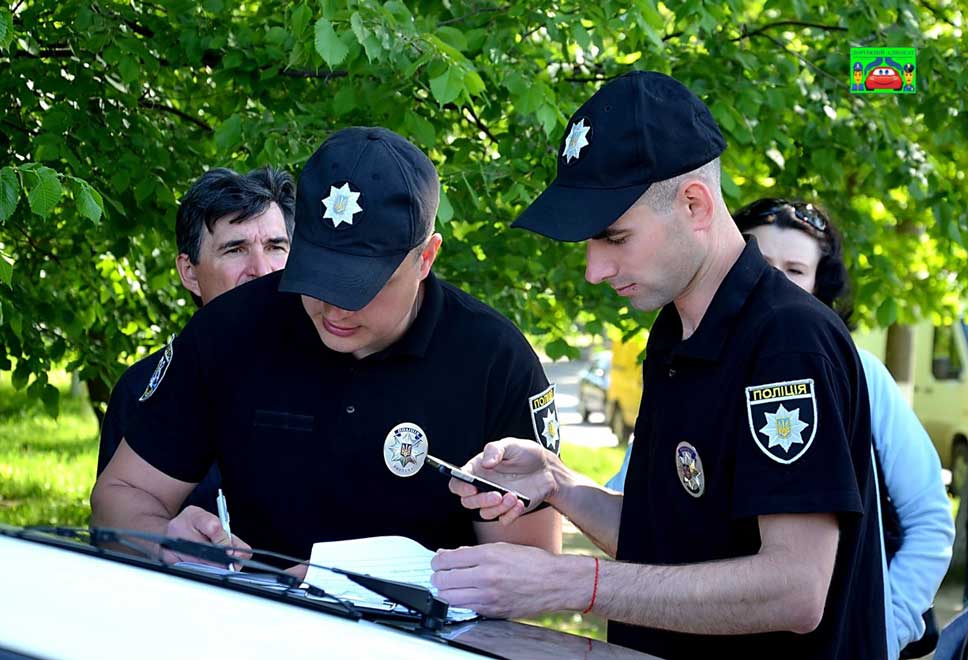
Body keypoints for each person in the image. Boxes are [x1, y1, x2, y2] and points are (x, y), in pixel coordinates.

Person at [430, 71, 886, 658]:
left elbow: (794, 590)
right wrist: (559, 484)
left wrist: (573, 582)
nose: (594, 269)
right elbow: (672, 544)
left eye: (615, 238)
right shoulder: (677, 329)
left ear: (694, 203)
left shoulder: (787, 342)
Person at [90, 127, 561, 565]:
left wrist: (380, 589)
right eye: (318, 276)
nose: (335, 310)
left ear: (425, 258)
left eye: (362, 286)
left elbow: (531, 570)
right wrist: (166, 541)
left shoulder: (494, 362)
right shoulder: (230, 329)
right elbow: (122, 494)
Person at [731, 197, 953, 659]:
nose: (773, 281)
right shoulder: (692, 369)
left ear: (819, 286)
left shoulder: (862, 375)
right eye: (760, 262)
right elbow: (636, 501)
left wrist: (884, 629)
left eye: (794, 270)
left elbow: (929, 520)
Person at [96, 166, 295, 514]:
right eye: (236, 250)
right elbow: (120, 534)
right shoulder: (140, 391)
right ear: (190, 272)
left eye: (276, 247)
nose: (262, 271)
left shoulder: (341, 365)